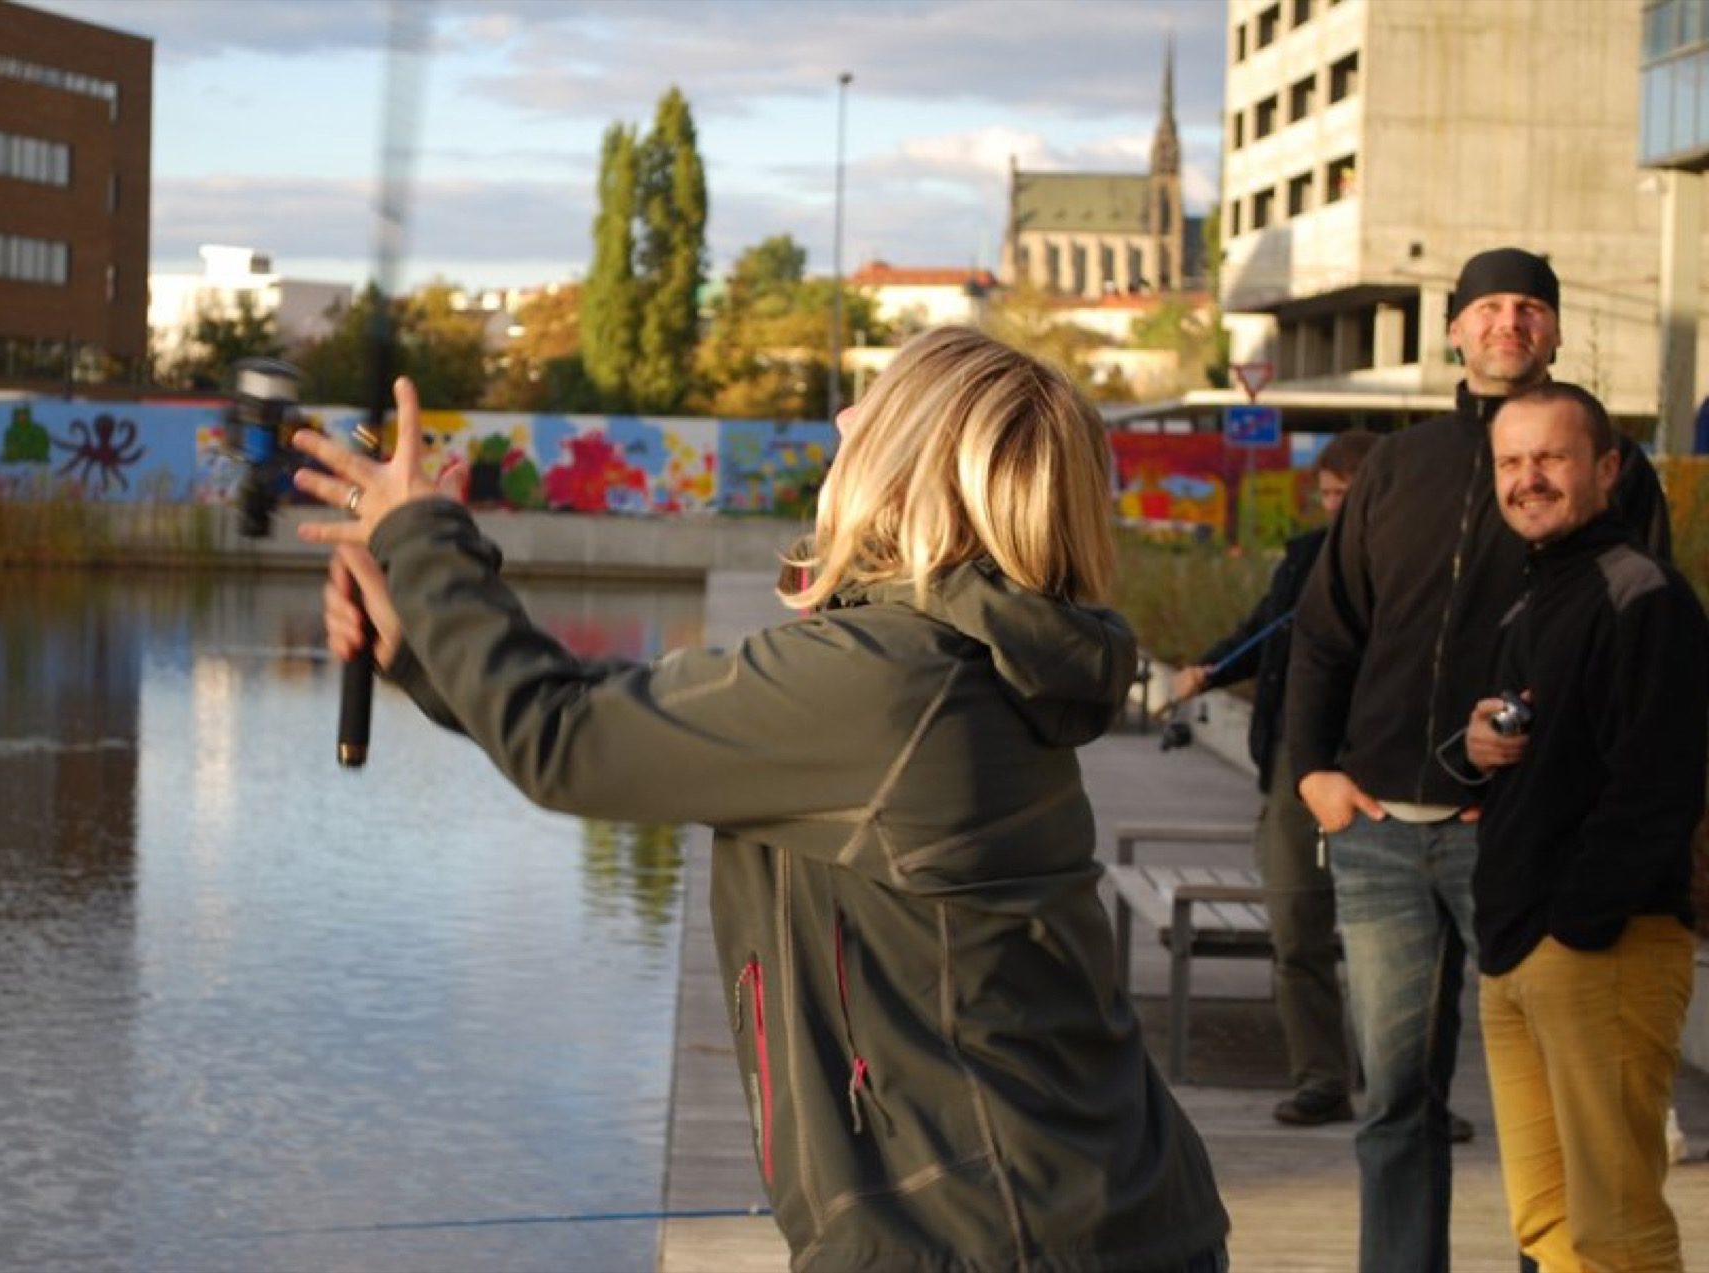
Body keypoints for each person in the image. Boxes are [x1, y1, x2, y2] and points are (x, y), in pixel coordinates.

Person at [290, 327, 1231, 1271]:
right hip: (1084, 1213)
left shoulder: (893, 682)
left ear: (912, 467)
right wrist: (415, 642)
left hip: (996, 1238)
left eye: (876, 403)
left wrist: (420, 532)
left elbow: (564, 741)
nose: (843, 416)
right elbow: (611, 719)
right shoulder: (948, 666)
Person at [1283, 248, 1672, 1273]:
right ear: (1454, 330)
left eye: (1530, 307)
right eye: (1489, 307)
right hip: (1375, 829)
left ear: (1553, 328)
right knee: (1396, 1100)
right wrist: (1313, 771)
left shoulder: (1602, 469)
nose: (1509, 323)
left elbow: (1633, 672)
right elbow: (1324, 631)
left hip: (1514, 836)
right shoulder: (1400, 467)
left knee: (1550, 1103)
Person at [1459, 383, 1705, 1273]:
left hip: (1598, 948)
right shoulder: (1530, 604)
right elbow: (1547, 755)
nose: (1528, 479)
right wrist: (1477, 746)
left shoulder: (1644, 597)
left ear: (1605, 468)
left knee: (1616, 1230)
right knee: (1550, 1227)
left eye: (1551, 458)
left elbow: (1657, 786)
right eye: (1511, 462)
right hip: (1519, 949)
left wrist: (1575, 922)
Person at [1170, 427, 1378, 1128]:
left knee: (1399, 937)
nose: (1335, 507)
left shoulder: (1416, 560)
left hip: (1380, 761)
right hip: (1297, 759)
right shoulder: (1303, 562)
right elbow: (1263, 632)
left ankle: (1412, 1086)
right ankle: (1321, 1076)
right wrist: (1207, 669)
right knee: (1297, 925)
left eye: (1347, 494)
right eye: (1327, 495)